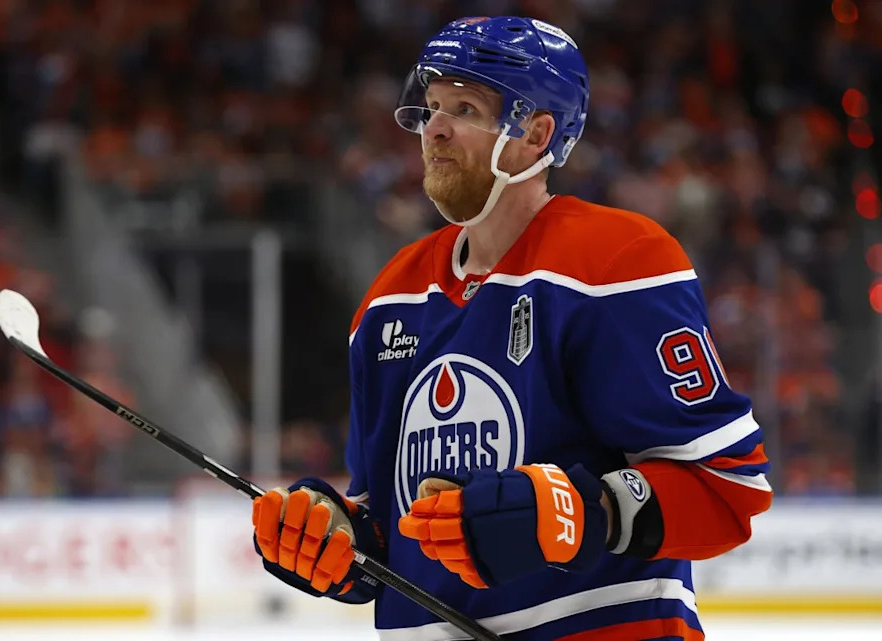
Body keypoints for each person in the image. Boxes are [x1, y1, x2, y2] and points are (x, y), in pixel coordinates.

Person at [252, 16, 773, 640]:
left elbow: (727, 489)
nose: (434, 128)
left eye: (465, 109)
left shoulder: (615, 262)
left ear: (537, 133)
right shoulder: (390, 298)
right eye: (431, 107)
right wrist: (332, 537)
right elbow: (389, 527)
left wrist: (583, 514)